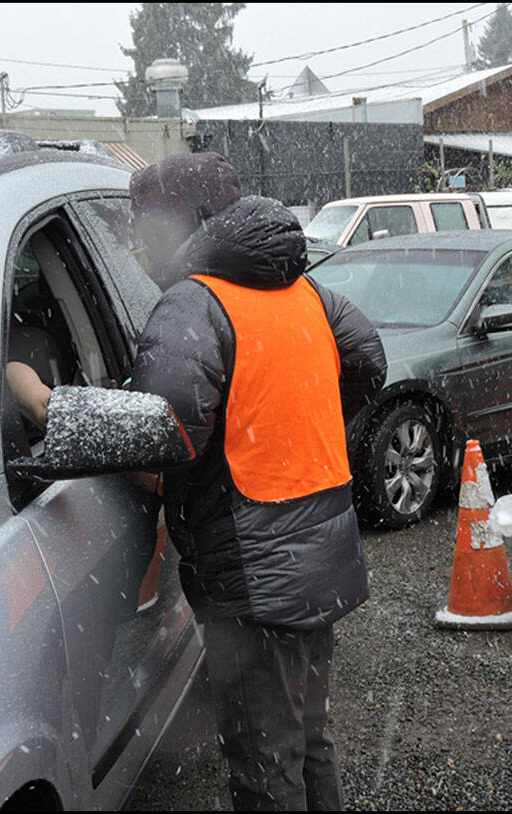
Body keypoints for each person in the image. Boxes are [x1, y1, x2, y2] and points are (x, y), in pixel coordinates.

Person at [126, 152, 387, 811]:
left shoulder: (192, 303)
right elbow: (367, 362)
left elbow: (169, 433)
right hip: (321, 553)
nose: (135, 238)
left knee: (264, 764)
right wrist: (287, 425)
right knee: (306, 738)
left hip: (252, 575)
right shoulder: (306, 292)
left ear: (190, 219)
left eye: (143, 221)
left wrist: (55, 414)